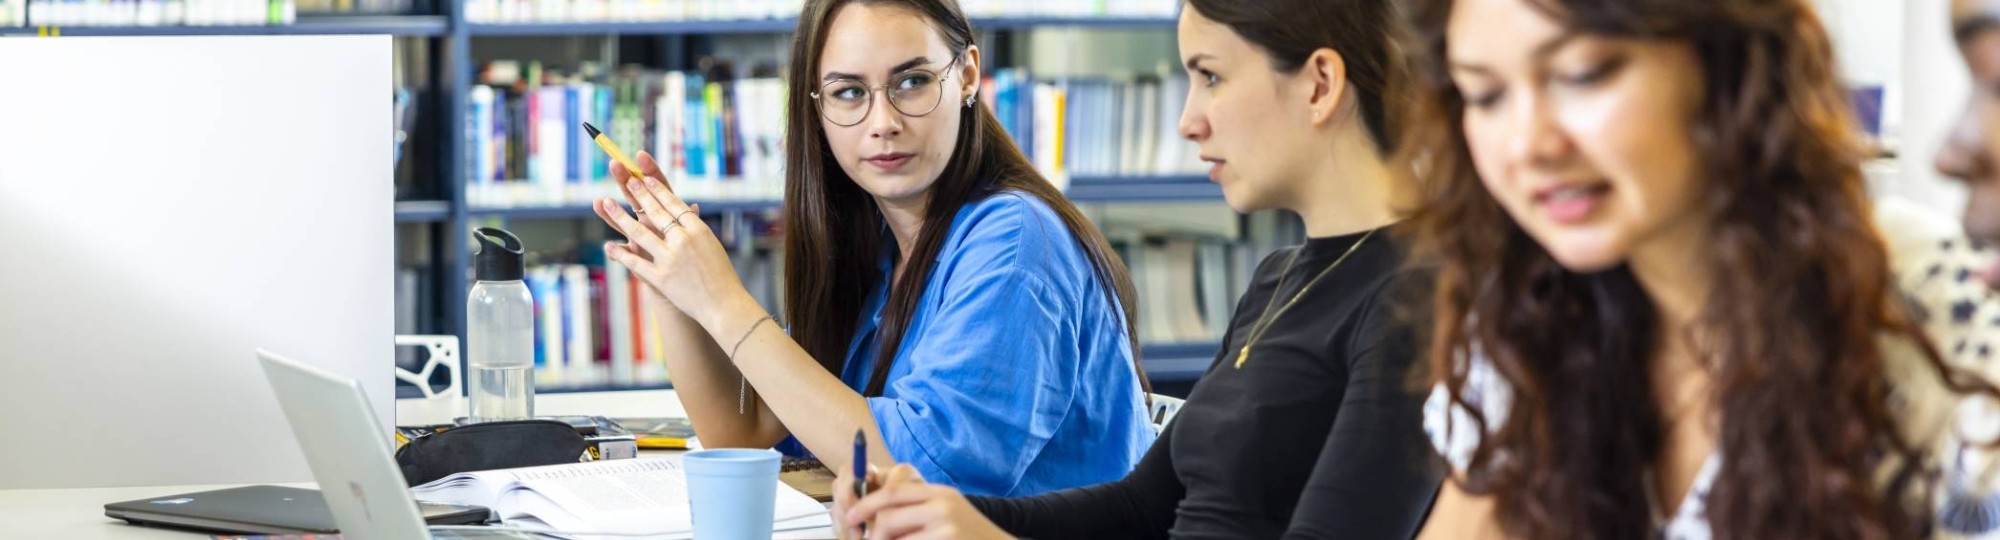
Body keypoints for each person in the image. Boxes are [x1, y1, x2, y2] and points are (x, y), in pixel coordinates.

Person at [831, 0, 1442, 538]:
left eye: (1211, 76)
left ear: (1319, 84)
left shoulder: (1415, 302)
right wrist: (944, 517)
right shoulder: (1278, 280)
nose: (1187, 120)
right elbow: (1142, 508)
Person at [1401, 0, 2000, 537]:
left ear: (1724, 63)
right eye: (1485, 96)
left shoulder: (1924, 306)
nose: (1527, 144)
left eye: (1582, 75)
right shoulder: (1528, 325)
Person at [591, 0, 1154, 497]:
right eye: (849, 92)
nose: (882, 123)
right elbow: (741, 429)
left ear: (967, 77)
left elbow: (926, 476)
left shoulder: (1014, 240)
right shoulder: (883, 246)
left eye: (911, 81)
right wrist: (672, 278)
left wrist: (723, 301)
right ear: (817, 107)